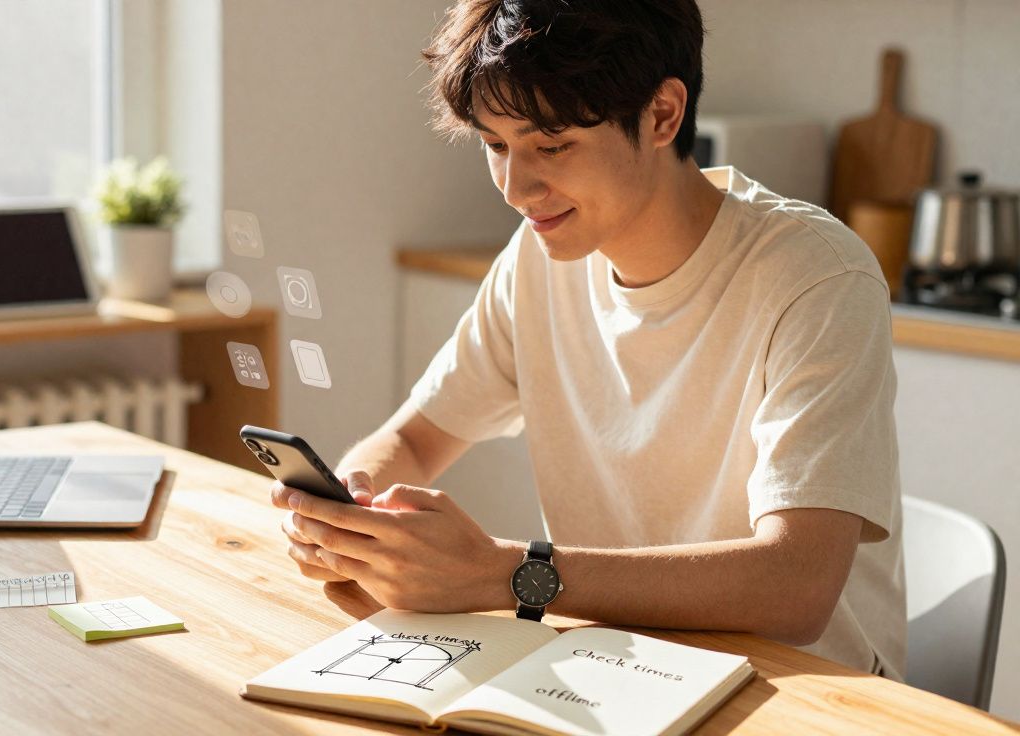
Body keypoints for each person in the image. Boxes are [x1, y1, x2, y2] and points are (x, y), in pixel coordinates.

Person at [270, 0, 905, 680]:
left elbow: (795, 585)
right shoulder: (538, 258)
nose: (516, 188)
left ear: (663, 115)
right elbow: (419, 439)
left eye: (551, 145)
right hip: (620, 669)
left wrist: (504, 575)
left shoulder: (815, 277)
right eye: (495, 145)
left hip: (805, 691)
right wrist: (355, 509)